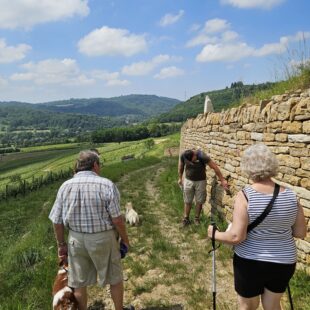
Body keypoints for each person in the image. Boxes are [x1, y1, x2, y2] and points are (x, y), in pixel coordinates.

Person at [207, 144, 306, 310]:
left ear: (248, 167)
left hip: (250, 262)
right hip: (284, 261)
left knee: (247, 307)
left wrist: (213, 233)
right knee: (273, 305)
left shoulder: (246, 195)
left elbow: (236, 237)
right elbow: (300, 232)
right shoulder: (291, 195)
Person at [49, 150, 134, 310]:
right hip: (103, 239)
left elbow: (57, 221)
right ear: (95, 165)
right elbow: (117, 219)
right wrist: (125, 240)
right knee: (114, 278)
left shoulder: (64, 187)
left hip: (76, 240)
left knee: (79, 283)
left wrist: (61, 244)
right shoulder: (106, 184)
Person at [178, 149, 229, 226]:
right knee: (187, 200)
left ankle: (196, 219)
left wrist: (222, 179)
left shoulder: (202, 156)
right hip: (188, 181)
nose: (191, 163)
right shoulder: (184, 155)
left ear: (194, 155)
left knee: (199, 200)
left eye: (192, 161)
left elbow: (214, 167)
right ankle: (186, 219)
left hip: (200, 181)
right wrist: (180, 178)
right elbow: (181, 166)